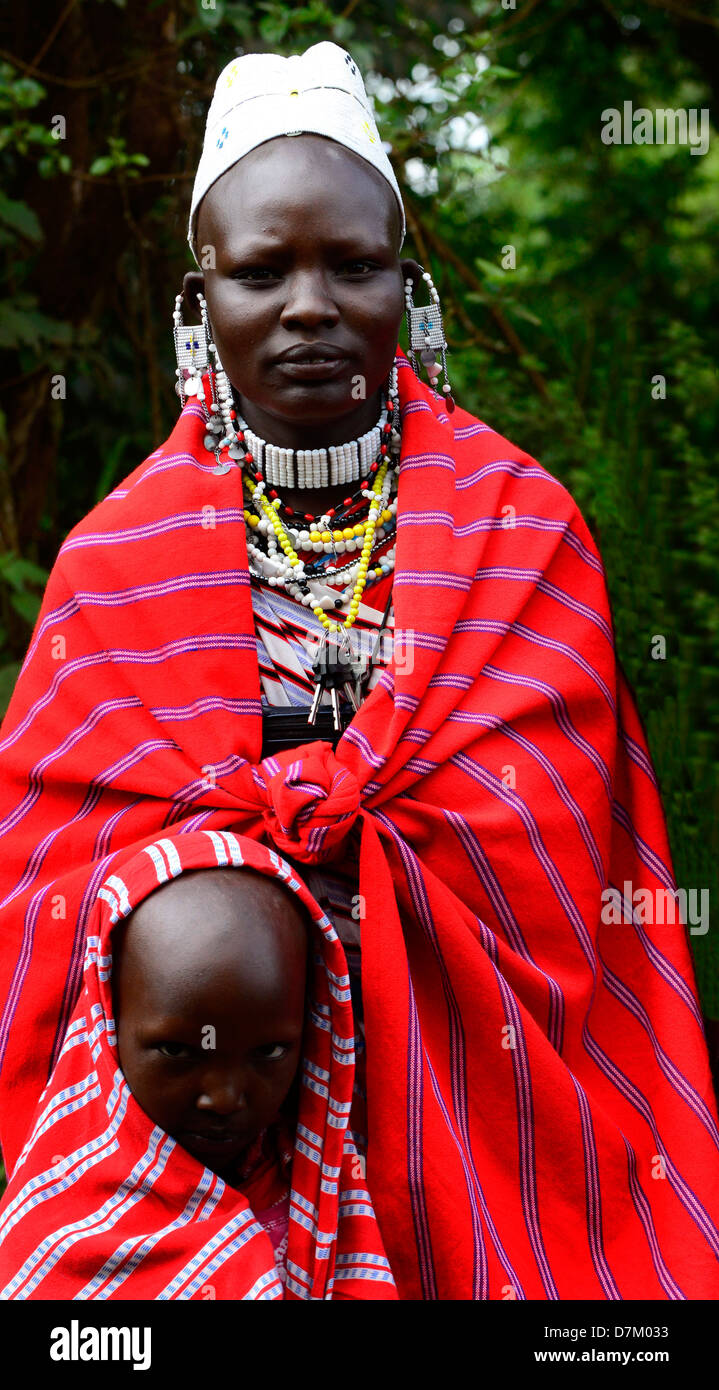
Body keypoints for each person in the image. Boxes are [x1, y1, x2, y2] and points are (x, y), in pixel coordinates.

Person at [0, 40, 717, 1300]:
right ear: (200, 300)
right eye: (262, 271)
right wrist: (223, 899)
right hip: (192, 1096)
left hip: (466, 1075)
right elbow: (54, 887)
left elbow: (550, 854)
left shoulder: (519, 526)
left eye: (355, 264)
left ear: (409, 285)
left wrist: (333, 864)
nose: (310, 306)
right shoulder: (115, 560)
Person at [0, 832, 396, 1300]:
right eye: (177, 1051)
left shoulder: (336, 1194)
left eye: (268, 1052)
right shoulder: (57, 1237)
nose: (224, 1098)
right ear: (107, 1024)